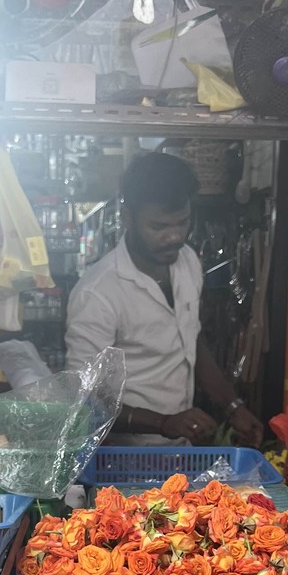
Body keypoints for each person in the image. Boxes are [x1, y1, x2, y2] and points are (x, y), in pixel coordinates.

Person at [65, 152, 264, 447]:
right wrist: (162, 423)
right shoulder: (97, 293)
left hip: (179, 449)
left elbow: (190, 341)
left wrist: (233, 406)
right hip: (121, 456)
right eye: (158, 227)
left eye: (182, 222)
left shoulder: (188, 263)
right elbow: (83, 396)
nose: (174, 237)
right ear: (127, 217)